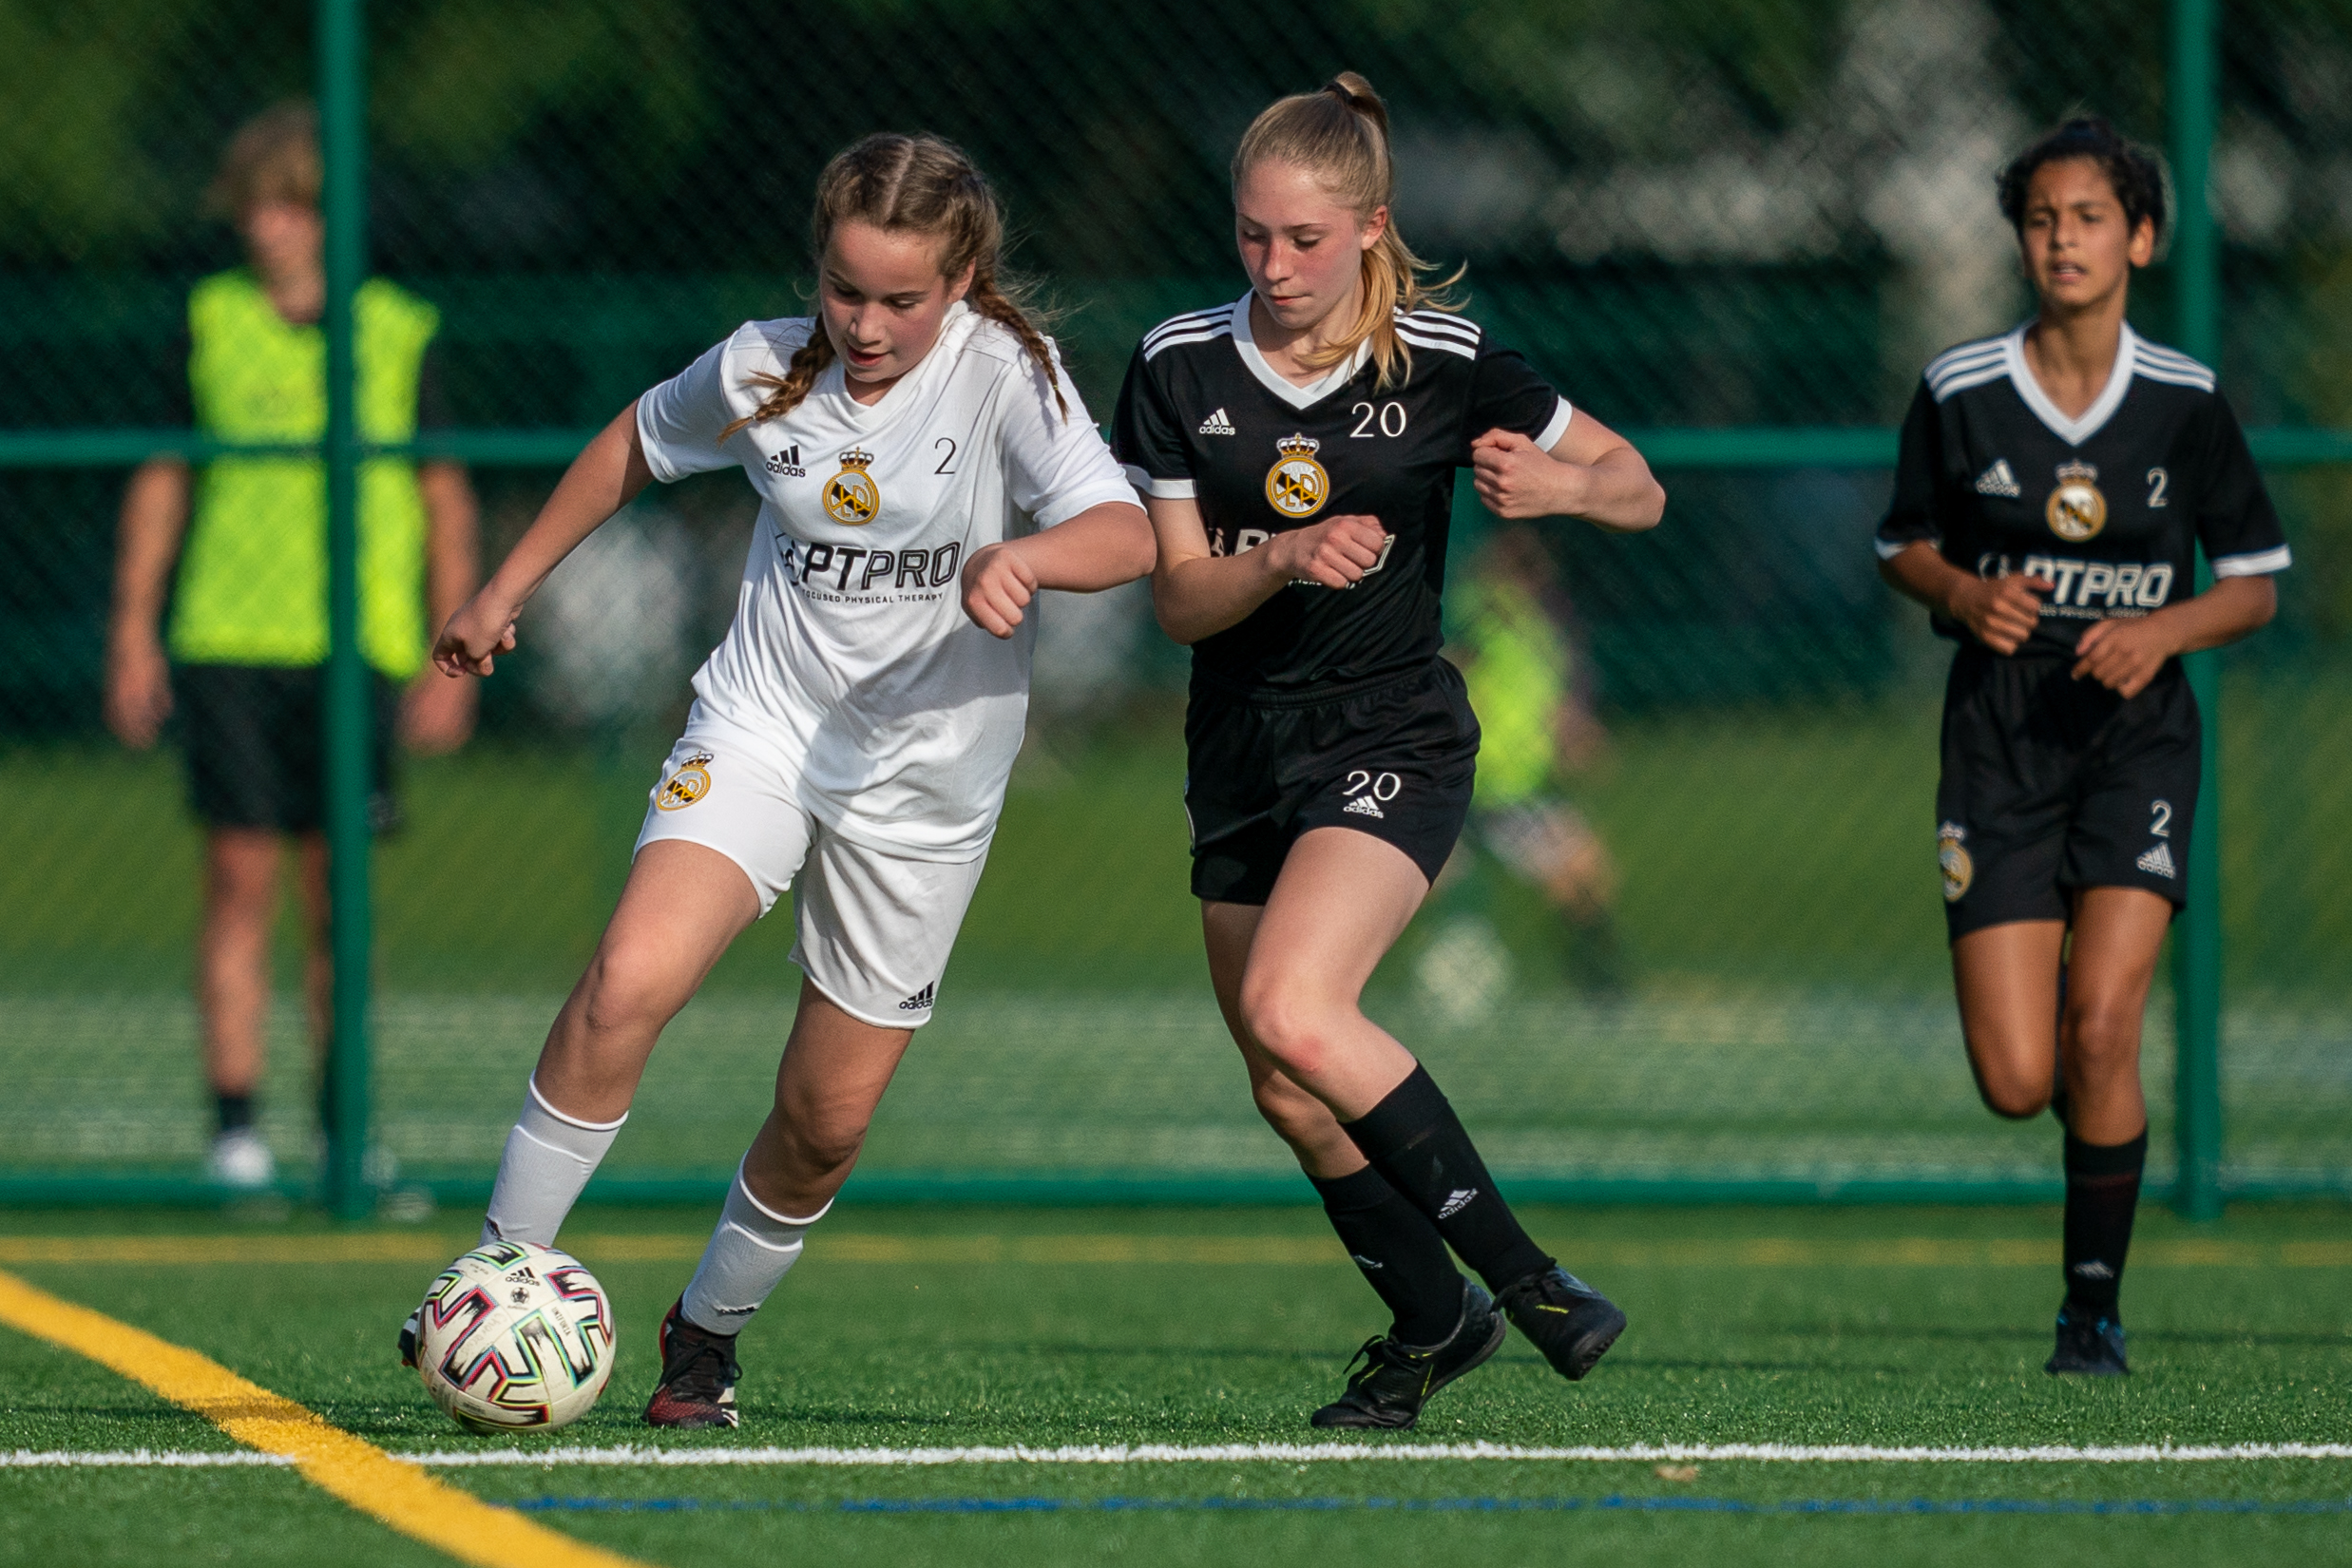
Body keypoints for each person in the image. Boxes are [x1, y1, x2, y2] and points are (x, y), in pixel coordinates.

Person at [404, 133, 1153, 1429]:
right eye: (844, 289)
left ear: (962, 280)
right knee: (629, 978)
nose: (863, 323)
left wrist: (1031, 562)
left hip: (926, 779)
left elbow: (1128, 526)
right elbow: (628, 448)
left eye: (898, 299)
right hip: (765, 724)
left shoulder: (1005, 375)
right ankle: (488, 1280)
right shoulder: (762, 364)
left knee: (824, 1118)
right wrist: (500, 588)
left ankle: (702, 1339)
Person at [1113, 74, 1665, 1430]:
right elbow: (1178, 595)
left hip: (1390, 734)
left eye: (1303, 239)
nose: (1273, 265)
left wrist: (1566, 486)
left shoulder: (1445, 354)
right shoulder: (1176, 361)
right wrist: (1280, 556)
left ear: (1369, 226)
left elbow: (1638, 487)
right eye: (1251, 235)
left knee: (1301, 1010)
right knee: (1282, 1086)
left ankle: (1531, 1283)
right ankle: (1431, 1323)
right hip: (1240, 744)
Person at [1875, 118, 2287, 1376]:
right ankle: (2093, 1143)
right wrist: (1957, 594)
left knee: (2101, 1025)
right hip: (1995, 743)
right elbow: (1900, 543)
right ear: (2019, 238)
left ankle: (2088, 1310)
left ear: (2140, 238)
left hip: (2131, 741)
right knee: (2014, 1077)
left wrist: (2159, 628)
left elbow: (2257, 582)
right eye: (2042, 218)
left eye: (2089, 217)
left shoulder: (2180, 399)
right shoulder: (1958, 389)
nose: (2062, 239)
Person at [104, 103, 480, 1190]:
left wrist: (450, 655)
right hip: (227, 633)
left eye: (292, 206)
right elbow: (164, 476)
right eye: (254, 205)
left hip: (356, 644)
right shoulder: (210, 318)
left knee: (339, 892)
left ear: (329, 216)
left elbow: (444, 494)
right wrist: (133, 630)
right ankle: (234, 1134)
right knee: (235, 879)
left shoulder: (399, 329)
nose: (268, 228)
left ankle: (341, 1128)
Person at [1439, 523, 1626, 997]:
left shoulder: (1535, 619)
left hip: (1512, 785)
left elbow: (1542, 687)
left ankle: (1599, 987)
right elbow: (1453, 667)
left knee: (1584, 875)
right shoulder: (1483, 608)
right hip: (1483, 783)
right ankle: (1602, 992)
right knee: (1581, 875)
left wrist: (1570, 726)